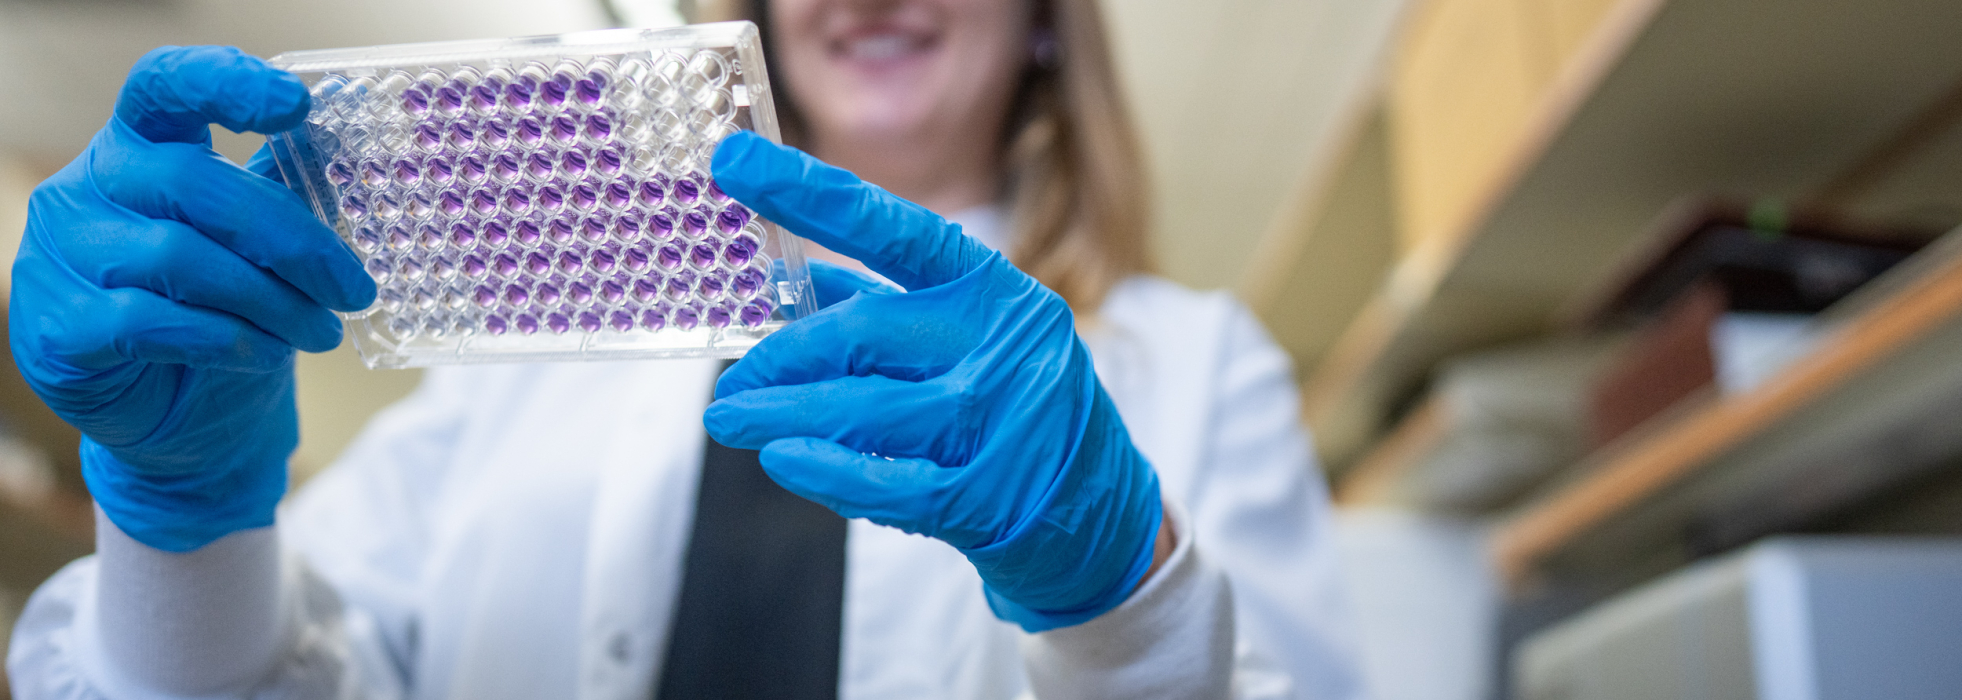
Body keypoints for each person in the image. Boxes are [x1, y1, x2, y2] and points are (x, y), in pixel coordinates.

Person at [6, 0, 1364, 698]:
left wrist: (1124, 599)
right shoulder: (544, 347)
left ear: (1049, 25)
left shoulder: (1196, 366)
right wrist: (184, 517)